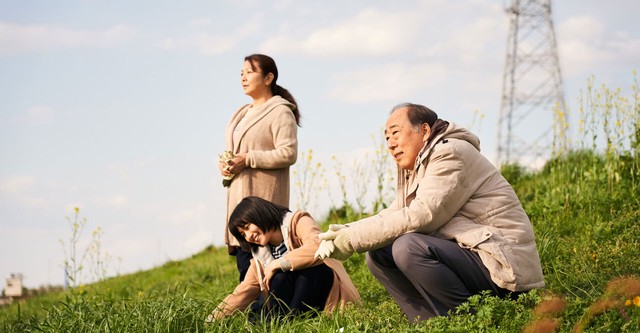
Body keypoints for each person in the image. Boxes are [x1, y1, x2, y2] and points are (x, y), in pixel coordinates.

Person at [315, 103, 544, 322]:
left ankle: (463, 321)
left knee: (408, 247)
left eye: (396, 133)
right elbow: (395, 213)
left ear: (424, 131)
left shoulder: (450, 153)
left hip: (502, 265)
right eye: (386, 137)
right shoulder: (420, 166)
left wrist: (353, 239)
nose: (390, 144)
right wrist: (347, 231)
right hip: (472, 254)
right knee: (378, 252)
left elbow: (422, 215)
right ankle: (429, 322)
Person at [207, 196, 361, 322]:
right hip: (297, 307)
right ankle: (288, 324)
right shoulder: (260, 256)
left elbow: (317, 245)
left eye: (247, 228)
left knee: (305, 270)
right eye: (243, 235)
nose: (248, 236)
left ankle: (290, 323)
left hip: (326, 293)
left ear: (258, 214)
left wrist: (279, 263)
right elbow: (242, 293)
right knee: (278, 278)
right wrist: (211, 320)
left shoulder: (297, 221)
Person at [220, 54, 301, 282]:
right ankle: (256, 311)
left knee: (264, 261)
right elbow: (237, 151)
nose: (243, 77)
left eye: (250, 72)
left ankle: (273, 311)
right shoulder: (241, 113)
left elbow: (288, 153)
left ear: (268, 78)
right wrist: (227, 164)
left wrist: (247, 159)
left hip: (262, 195)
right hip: (239, 194)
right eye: (241, 73)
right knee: (244, 261)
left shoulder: (280, 111)